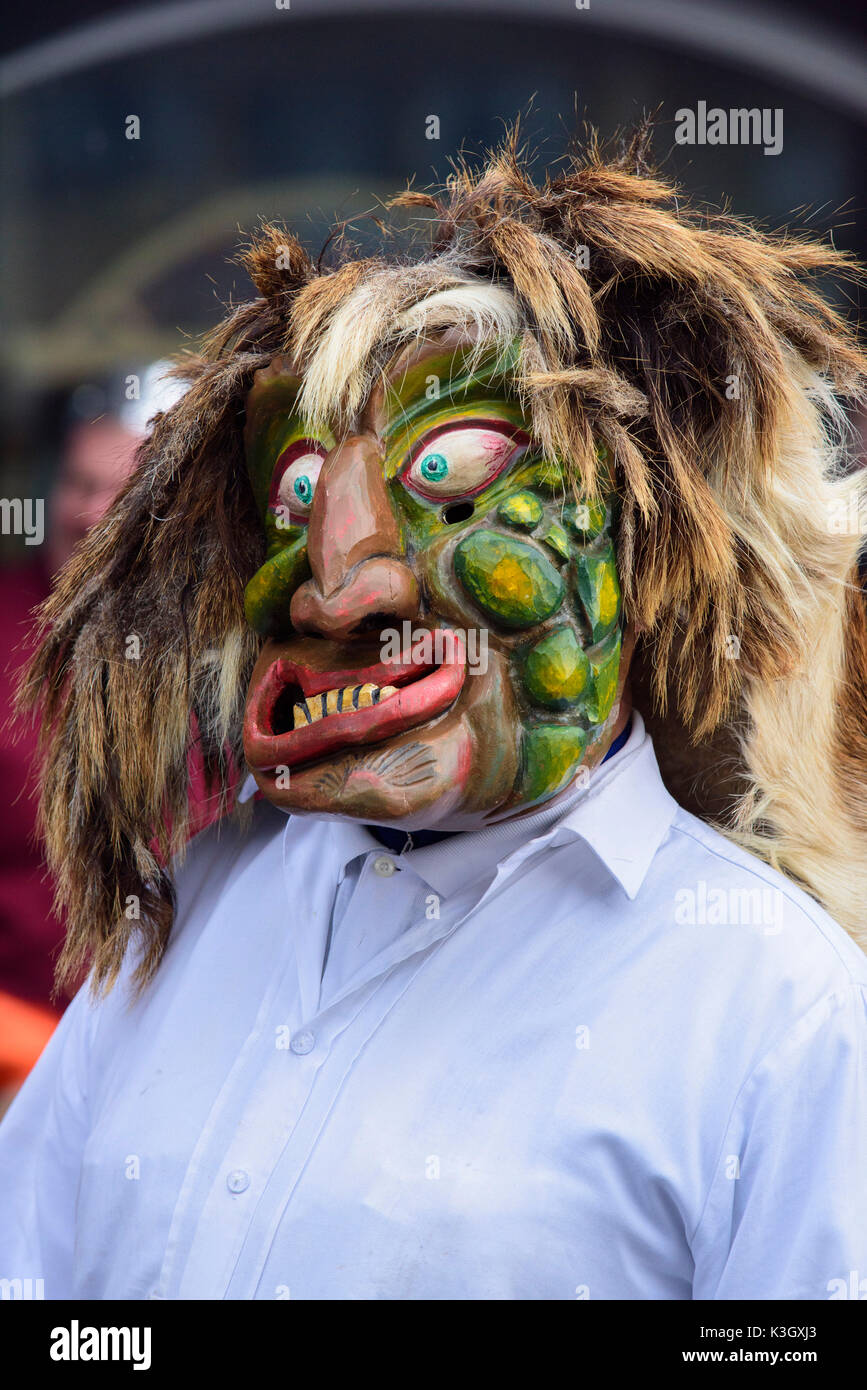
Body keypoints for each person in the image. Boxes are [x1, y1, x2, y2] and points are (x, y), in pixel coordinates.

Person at [1, 128, 866, 1299]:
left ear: (633, 536)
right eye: (299, 492)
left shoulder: (779, 1005)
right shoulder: (190, 916)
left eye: (451, 469)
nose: (340, 578)